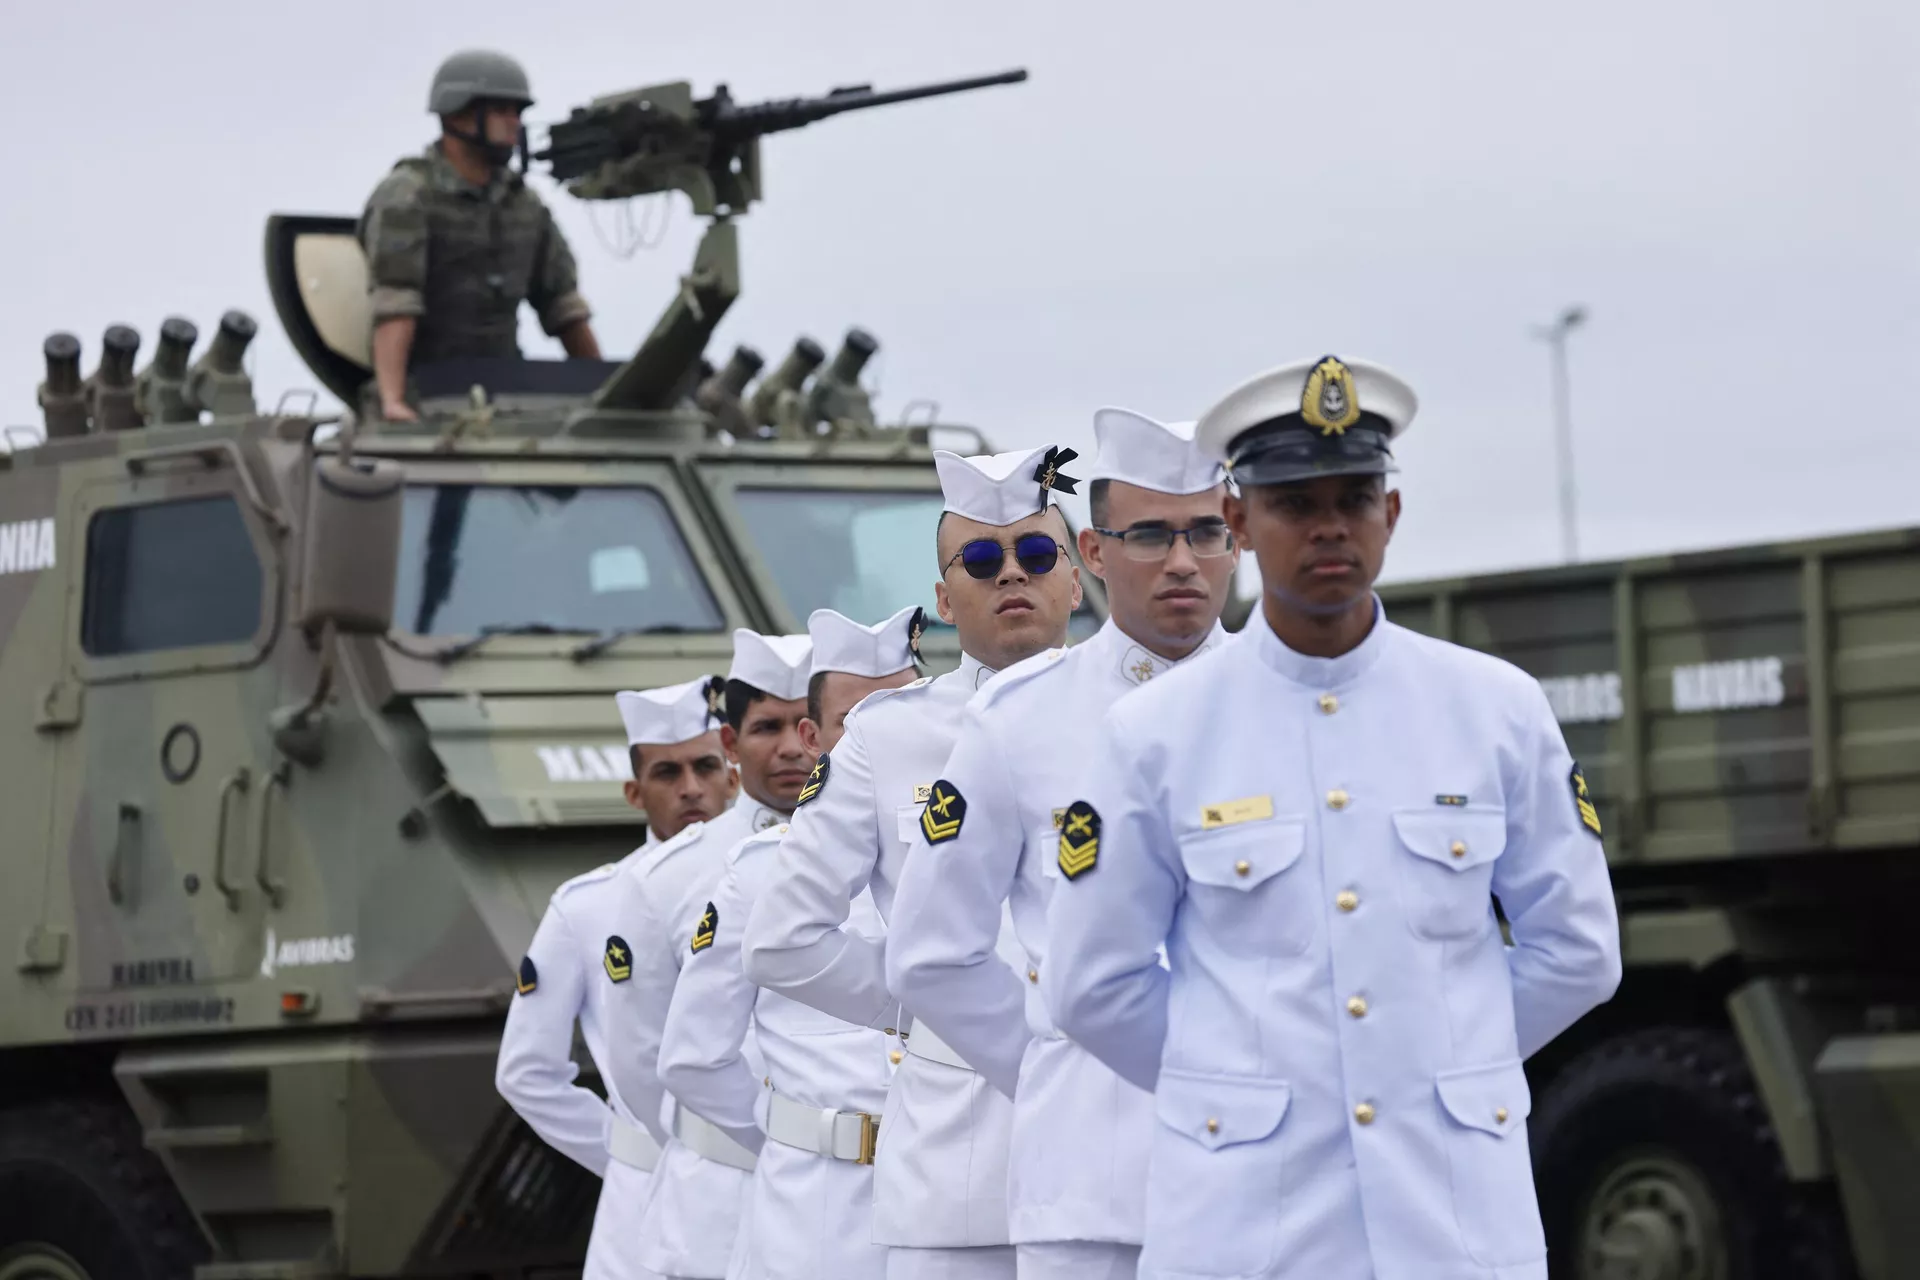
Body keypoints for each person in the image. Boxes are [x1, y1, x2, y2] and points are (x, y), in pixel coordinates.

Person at [1044, 356, 1623, 1280]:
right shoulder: (1158, 736)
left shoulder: (1494, 709)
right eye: (1293, 503)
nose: (1328, 529)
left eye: (1353, 500)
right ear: (1239, 520)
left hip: (1457, 1224)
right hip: (1245, 1228)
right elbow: (1090, 985)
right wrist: (1237, 1085)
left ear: (1390, 515)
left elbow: (1579, 950)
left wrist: (1429, 1060)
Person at [887, 409, 1237, 1280]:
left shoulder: (1299, 705)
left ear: (1241, 540)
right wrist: (1059, 1056)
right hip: (1098, 1190)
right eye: (1152, 534)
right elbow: (932, 952)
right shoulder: (1023, 719)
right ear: (1097, 550)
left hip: (1278, 1184)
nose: (1183, 561)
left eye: (1206, 532)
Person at [742, 446, 1083, 1280]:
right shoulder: (887, 739)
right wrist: (933, 1002)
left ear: (1077, 578)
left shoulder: (1151, 716)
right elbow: (782, 939)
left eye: (1037, 555)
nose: (1012, 576)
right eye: (981, 559)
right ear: (942, 598)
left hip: (1123, 1149)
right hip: (962, 1175)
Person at [658, 606, 923, 1280]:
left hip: (947, 1199)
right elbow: (694, 1057)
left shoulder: (979, 857)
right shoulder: (758, 873)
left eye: (902, 710)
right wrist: (792, 1133)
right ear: (817, 736)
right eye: (857, 721)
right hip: (815, 1214)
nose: (884, 737)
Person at [495, 676, 734, 1280]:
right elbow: (526, 1071)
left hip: (764, 1181)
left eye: (705, 767)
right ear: (634, 792)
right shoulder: (588, 906)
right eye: (667, 773)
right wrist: (629, 1151)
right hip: (647, 1196)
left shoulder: (779, 880)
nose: (691, 789)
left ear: (731, 775)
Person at [602, 631, 815, 1280]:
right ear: (729, 745)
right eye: (765, 727)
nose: (789, 747)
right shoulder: (664, 880)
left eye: (804, 723)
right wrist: (766, 1137)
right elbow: (640, 1062)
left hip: (840, 1190)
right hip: (721, 1191)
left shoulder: (875, 853)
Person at [358, 48, 602, 423]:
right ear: (458, 114)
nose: (514, 124)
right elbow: (396, 303)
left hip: (504, 391)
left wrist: (605, 393)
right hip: (426, 391)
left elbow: (563, 305)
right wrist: (393, 399)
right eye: (502, 111)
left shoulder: (524, 205)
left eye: (518, 113)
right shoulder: (407, 197)